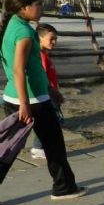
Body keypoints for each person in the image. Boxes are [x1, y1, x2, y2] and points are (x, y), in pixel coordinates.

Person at [0, 0, 87, 199]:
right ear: (23, 7)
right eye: (38, 4)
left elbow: (33, 68)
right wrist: (24, 104)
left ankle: (65, 186)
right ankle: (64, 187)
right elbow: (19, 70)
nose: (42, 8)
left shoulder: (14, 24)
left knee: (9, 151)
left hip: (28, 96)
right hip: (30, 100)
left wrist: (49, 89)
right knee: (53, 145)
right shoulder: (24, 32)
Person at [28, 24, 66, 160]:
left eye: (56, 39)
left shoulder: (44, 54)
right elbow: (42, 77)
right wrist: (53, 93)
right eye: (51, 39)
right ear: (40, 38)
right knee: (50, 123)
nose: (54, 42)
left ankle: (42, 147)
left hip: (50, 94)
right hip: (48, 95)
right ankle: (38, 148)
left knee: (52, 122)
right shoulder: (41, 56)